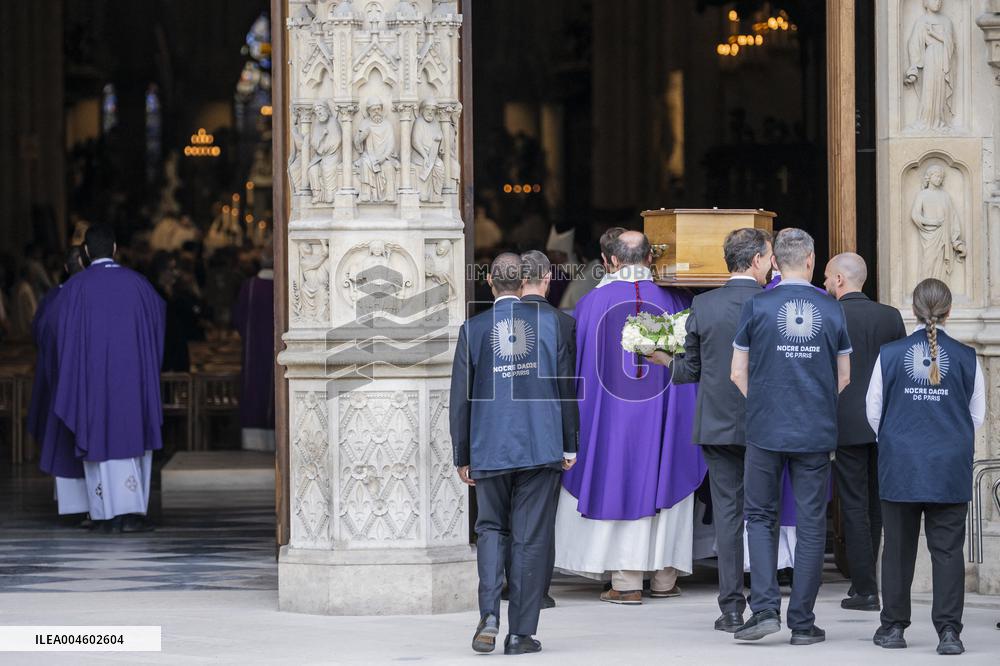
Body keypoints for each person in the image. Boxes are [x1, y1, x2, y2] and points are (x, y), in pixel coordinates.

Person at [556, 231, 706, 604]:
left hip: (611, 420)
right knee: (666, 474)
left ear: (611, 262)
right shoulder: (678, 300)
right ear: (650, 260)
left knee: (618, 479)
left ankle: (626, 581)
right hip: (666, 417)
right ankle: (664, 577)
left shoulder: (591, 303)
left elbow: (580, 371)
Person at [450, 253, 577, 655]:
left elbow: (461, 400)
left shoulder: (473, 328)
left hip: (489, 445)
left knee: (490, 529)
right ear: (524, 281)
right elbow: (566, 389)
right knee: (530, 537)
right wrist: (569, 443)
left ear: (489, 281)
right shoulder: (552, 324)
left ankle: (489, 613)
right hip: (541, 444)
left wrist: (462, 453)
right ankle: (521, 633)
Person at [730, 228, 851, 645]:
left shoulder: (757, 305)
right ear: (812, 260)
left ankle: (764, 609)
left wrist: (764, 403)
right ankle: (802, 621)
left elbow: (736, 372)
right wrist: (814, 404)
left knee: (760, 517)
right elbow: (845, 375)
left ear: (776, 261)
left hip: (764, 427)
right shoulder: (832, 309)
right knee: (813, 522)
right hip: (815, 430)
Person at [653, 228, 771, 631]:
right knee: (763, 514)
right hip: (765, 425)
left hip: (717, 423)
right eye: (769, 258)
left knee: (727, 515)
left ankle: (732, 607)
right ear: (756, 259)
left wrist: (662, 358)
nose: (771, 265)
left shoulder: (703, 305)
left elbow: (689, 372)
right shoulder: (772, 302)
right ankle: (766, 604)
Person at [866, 278, 984, 655]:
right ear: (949, 311)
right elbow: (976, 416)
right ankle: (949, 632)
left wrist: (899, 440)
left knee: (898, 547)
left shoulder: (890, 354)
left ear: (913, 310)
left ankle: (893, 628)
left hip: (901, 463)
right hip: (948, 465)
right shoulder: (967, 357)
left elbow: (874, 412)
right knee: (947, 551)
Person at [53, 224, 166, 533]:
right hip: (133, 383)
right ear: (116, 249)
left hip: (92, 387)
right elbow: (158, 322)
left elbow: (59, 335)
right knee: (132, 437)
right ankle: (132, 512)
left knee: (97, 438)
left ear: (86, 253)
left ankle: (103, 513)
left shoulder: (75, 288)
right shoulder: (139, 284)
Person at [823, 252, 907, 612]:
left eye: (827, 277)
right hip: (885, 422)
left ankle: (864, 587)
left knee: (854, 505)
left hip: (845, 422)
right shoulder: (890, 316)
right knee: (876, 504)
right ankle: (872, 582)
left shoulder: (829, 314)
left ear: (840, 280)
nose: (824, 283)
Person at [518, 250, 579, 609]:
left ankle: (503, 584)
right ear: (548, 279)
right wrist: (570, 443)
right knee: (540, 517)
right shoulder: (563, 323)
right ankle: (537, 591)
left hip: (497, 435)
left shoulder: (485, 321)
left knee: (502, 518)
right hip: (546, 433)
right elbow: (566, 388)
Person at [29, 246, 89, 516]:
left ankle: (77, 507)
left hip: (60, 381)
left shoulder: (54, 299)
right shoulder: (88, 297)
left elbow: (40, 333)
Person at [232, 243, 276, 451]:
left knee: (255, 387)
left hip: (254, 353)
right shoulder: (284, 286)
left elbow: (239, 319)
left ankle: (253, 443)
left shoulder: (249, 287)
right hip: (279, 352)